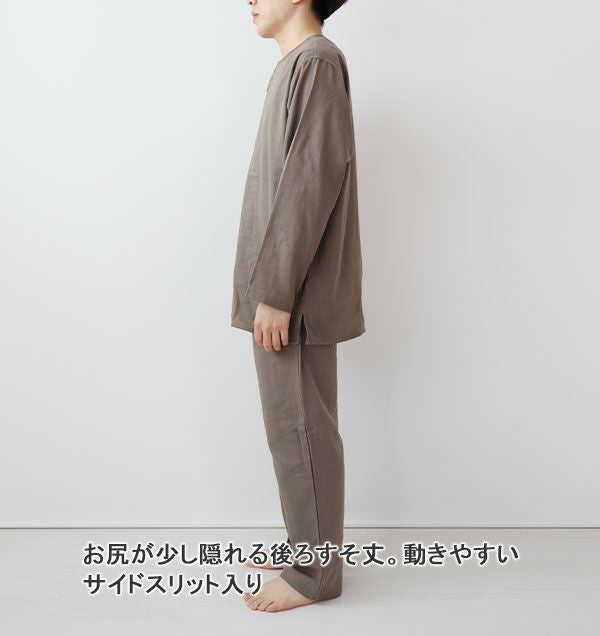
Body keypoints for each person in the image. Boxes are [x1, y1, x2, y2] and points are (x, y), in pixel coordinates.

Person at [231, 0, 365, 612]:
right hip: (280, 288)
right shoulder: (297, 64)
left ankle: (315, 574)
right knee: (291, 426)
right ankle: (306, 547)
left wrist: (277, 292)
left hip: (294, 295)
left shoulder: (316, 62)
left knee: (301, 427)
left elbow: (311, 181)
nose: (249, 0)